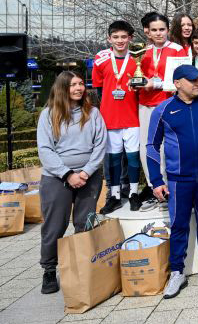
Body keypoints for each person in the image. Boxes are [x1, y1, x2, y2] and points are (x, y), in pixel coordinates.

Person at [147, 65, 198, 298]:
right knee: (179, 225)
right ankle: (177, 272)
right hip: (177, 180)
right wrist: (156, 180)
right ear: (177, 83)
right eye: (192, 80)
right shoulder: (163, 110)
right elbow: (152, 146)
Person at [37, 72, 106, 294]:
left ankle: (81, 267)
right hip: (56, 178)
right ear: (62, 88)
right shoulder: (48, 115)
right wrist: (67, 174)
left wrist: (85, 172)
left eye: (81, 84)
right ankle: (49, 270)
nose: (79, 88)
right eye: (73, 85)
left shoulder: (93, 113)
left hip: (89, 176)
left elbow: (100, 144)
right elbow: (45, 149)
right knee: (54, 226)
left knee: (84, 224)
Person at [134, 13, 184, 207]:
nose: (158, 33)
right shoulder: (142, 51)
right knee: (146, 146)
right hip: (145, 103)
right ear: (147, 32)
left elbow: (180, 80)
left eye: (162, 29)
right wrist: (135, 83)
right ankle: (153, 186)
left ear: (168, 29)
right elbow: (136, 76)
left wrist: (154, 84)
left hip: (168, 103)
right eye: (154, 30)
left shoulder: (177, 50)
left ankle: (170, 186)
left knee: (167, 146)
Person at [93, 21, 140, 214]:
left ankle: (134, 193)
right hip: (110, 118)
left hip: (132, 117)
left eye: (124, 37)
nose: (120, 41)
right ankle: (114, 196)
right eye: (116, 37)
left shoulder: (137, 58)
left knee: (133, 157)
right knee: (113, 159)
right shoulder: (101, 58)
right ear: (109, 38)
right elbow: (99, 88)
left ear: (130, 38)